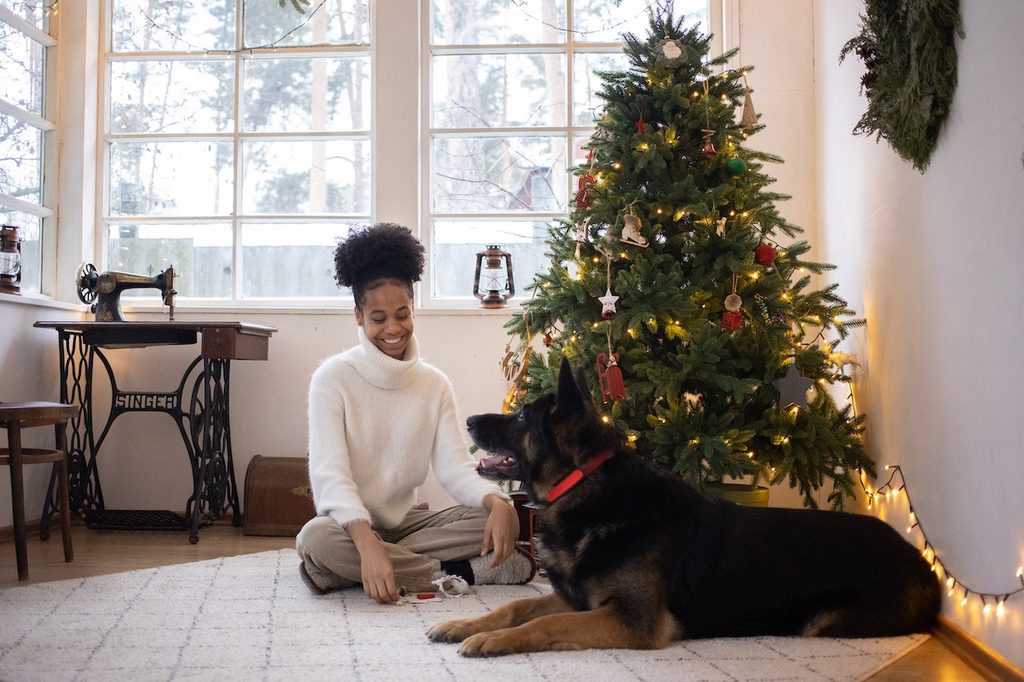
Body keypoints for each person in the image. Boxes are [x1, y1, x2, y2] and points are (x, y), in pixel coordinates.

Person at [296, 223, 535, 603]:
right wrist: (367, 543)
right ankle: (456, 573)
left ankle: (343, 573)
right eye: (378, 318)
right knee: (314, 538)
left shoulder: (433, 384)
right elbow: (330, 478)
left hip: (411, 525)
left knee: (484, 520)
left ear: (412, 308)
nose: (393, 328)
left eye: (402, 314)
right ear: (358, 316)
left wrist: (499, 503)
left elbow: (456, 469)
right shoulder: (332, 379)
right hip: (348, 525)